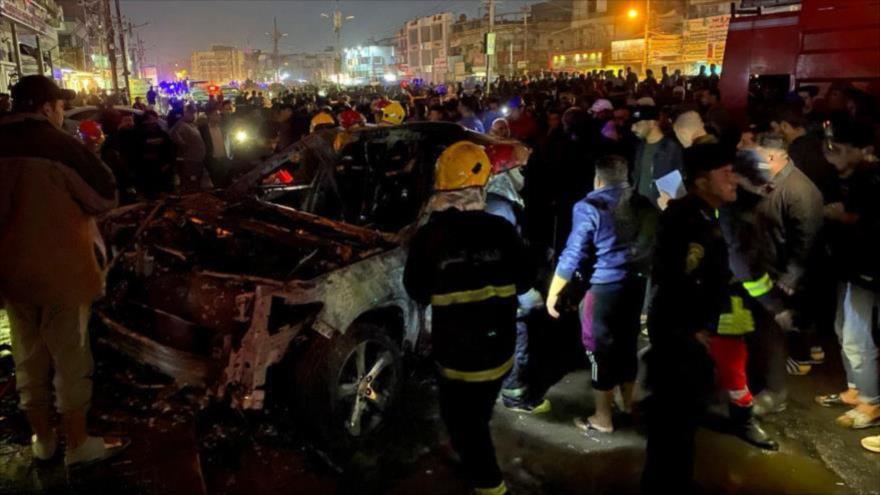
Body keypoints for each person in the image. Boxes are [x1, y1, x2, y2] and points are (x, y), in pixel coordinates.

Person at [0, 75, 128, 467]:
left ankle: (43, 439)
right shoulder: (60, 147)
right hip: (61, 272)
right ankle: (76, 443)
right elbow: (104, 197)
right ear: (44, 108)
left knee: (28, 355)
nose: (60, 112)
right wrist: (96, 153)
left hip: (10, 274)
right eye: (58, 106)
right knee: (71, 359)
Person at [642, 143, 777, 493]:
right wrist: (690, 331)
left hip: (692, 332)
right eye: (724, 173)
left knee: (684, 421)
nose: (733, 178)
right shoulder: (686, 218)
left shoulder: (708, 214)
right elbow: (674, 281)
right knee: (673, 421)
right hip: (680, 339)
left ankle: (677, 481)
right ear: (702, 182)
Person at [404, 141, 532, 495]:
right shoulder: (502, 229)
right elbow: (525, 279)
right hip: (500, 348)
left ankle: (490, 484)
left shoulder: (429, 237)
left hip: (457, 355)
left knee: (462, 422)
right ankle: (477, 448)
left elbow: (416, 291)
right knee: (478, 411)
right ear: (481, 185)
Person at [547, 155, 655, 433]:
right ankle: (627, 404)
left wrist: (553, 293)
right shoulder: (643, 203)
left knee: (599, 349)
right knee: (627, 343)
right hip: (635, 285)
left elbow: (573, 253)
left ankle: (602, 418)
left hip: (602, 288)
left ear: (598, 179)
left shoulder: (590, 206)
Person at [815, 119, 880, 430]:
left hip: (866, 268)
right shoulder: (846, 177)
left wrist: (847, 217)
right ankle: (856, 390)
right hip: (846, 265)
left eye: (838, 150)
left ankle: (871, 400)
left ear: (863, 150)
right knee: (844, 329)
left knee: (857, 334)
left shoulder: (873, 178)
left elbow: (872, 224)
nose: (831, 155)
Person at [751, 133, 825, 376]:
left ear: (771, 156)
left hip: (788, 272)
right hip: (773, 265)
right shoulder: (775, 181)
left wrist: (792, 276)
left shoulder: (799, 189)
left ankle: (798, 360)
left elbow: (807, 239)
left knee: (791, 318)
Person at [770, 103, 841, 203]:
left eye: (774, 128)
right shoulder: (816, 142)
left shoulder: (798, 149)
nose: (774, 133)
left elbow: (786, 186)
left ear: (785, 126)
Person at [631, 105, 684, 210]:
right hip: (641, 207)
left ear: (652, 123)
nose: (632, 128)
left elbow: (677, 187)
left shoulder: (671, 148)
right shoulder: (640, 147)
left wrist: (670, 209)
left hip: (660, 209)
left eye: (638, 124)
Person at [169, 103, 207, 193]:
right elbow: (173, 134)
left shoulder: (192, 125)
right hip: (189, 160)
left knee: (196, 183)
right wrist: (184, 145)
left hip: (197, 159)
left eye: (194, 113)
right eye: (191, 113)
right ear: (186, 113)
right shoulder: (181, 124)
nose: (194, 115)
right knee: (190, 184)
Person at [199, 104, 231, 186]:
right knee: (216, 182)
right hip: (213, 161)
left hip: (224, 159)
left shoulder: (222, 128)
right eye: (216, 115)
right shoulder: (204, 129)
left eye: (218, 115)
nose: (218, 117)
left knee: (226, 182)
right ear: (209, 116)